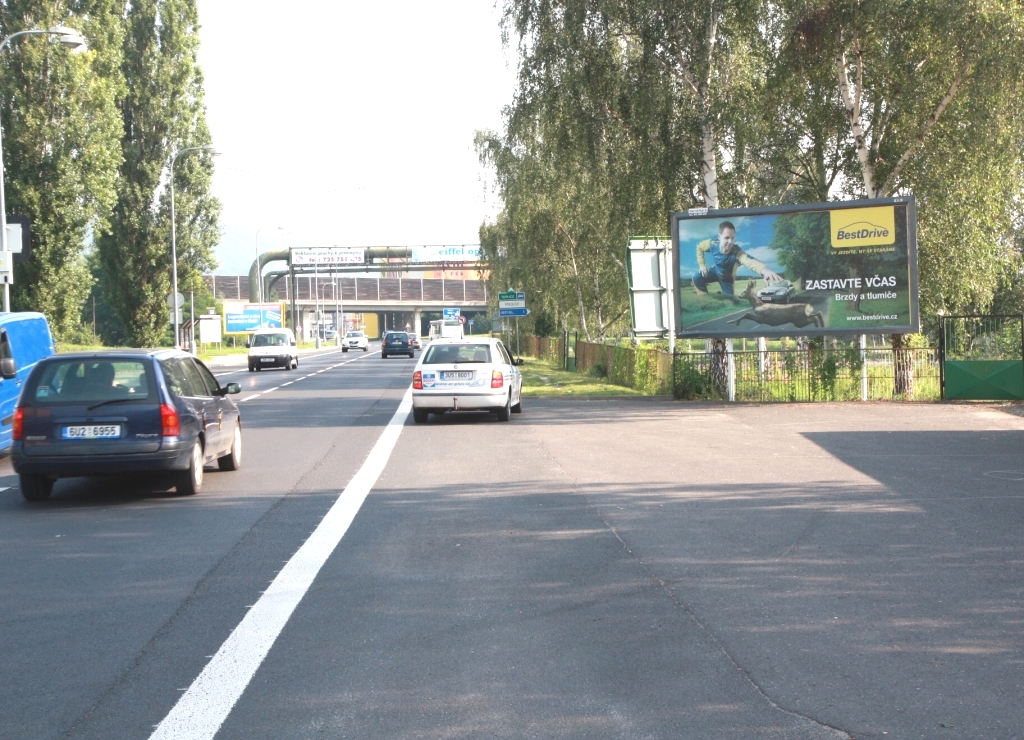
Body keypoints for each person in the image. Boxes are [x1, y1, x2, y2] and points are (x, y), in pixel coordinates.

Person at [693, 221, 781, 296]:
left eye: (732, 238)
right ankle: (704, 299)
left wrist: (765, 271)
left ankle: (723, 296)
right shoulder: (712, 243)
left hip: (727, 279)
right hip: (715, 271)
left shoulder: (737, 252)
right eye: (727, 238)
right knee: (697, 277)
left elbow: (750, 261)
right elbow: (699, 247)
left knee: (730, 301)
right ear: (719, 237)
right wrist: (702, 265)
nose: (730, 242)